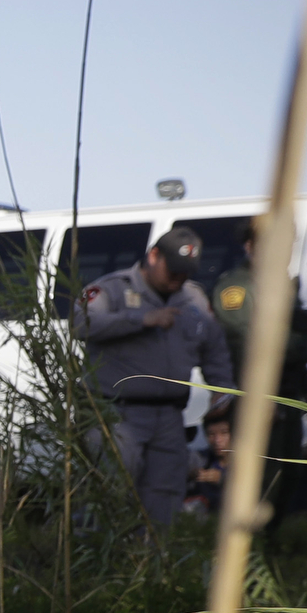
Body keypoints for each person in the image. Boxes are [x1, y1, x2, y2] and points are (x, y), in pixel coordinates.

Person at [75, 223, 235, 531]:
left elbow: (214, 347)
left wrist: (222, 386)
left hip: (170, 418)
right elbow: (80, 322)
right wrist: (139, 319)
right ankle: (101, 569)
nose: (178, 278)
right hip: (118, 414)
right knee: (110, 492)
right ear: (153, 256)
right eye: (173, 270)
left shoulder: (193, 300)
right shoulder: (113, 289)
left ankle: (152, 567)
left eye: (185, 272)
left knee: (165, 495)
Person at [210, 224, 307, 511]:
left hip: (286, 396)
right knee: (257, 482)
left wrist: (305, 387)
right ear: (251, 247)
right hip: (258, 401)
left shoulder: (281, 285)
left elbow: (303, 338)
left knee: (287, 478)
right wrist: (300, 344)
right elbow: (252, 345)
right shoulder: (237, 288)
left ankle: (274, 547)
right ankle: (246, 550)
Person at [185, 402, 237, 515]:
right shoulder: (199, 458)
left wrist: (222, 479)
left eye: (224, 433)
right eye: (211, 434)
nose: (217, 441)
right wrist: (190, 475)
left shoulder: (245, 462)